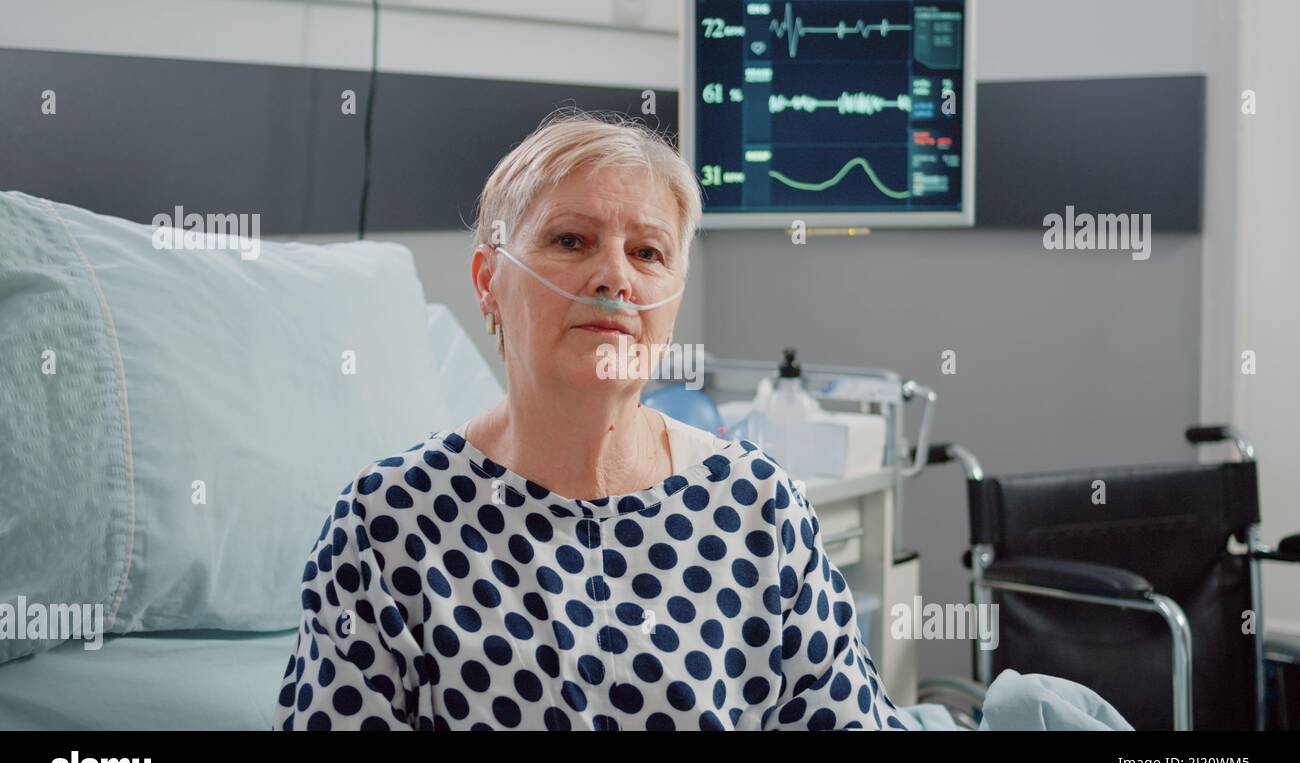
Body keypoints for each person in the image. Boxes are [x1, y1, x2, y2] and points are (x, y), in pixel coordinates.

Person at [272, 108, 906, 730]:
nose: (614, 277)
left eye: (648, 252)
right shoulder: (386, 522)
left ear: (674, 297)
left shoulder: (759, 507)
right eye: (570, 240)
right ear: (489, 280)